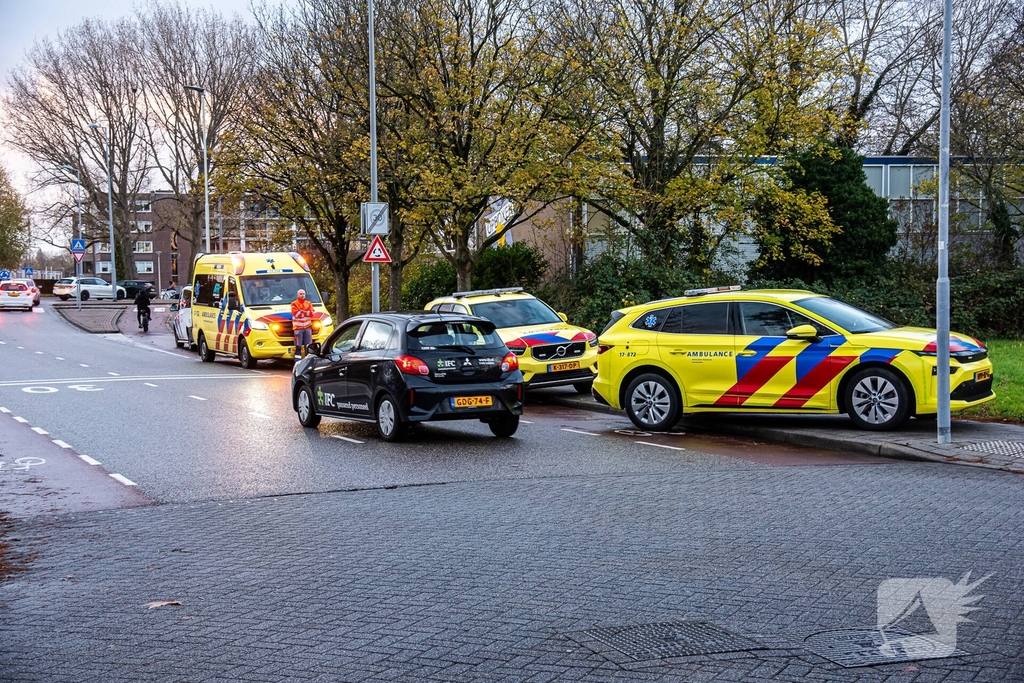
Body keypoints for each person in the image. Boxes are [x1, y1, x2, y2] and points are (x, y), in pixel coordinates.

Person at [291, 288, 314, 359]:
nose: (302, 295)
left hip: (307, 327)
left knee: (308, 346)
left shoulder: (309, 303)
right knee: (298, 346)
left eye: (303, 294)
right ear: (297, 295)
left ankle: (308, 361)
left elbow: (312, 314)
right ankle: (297, 362)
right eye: (300, 294)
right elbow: (296, 314)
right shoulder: (294, 303)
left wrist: (301, 311)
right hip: (298, 328)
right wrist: (306, 312)